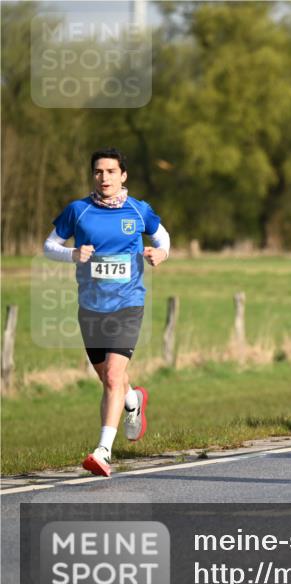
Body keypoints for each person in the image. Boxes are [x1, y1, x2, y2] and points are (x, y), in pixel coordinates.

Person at [43, 148, 170, 477]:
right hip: (90, 307)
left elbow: (162, 236)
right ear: (93, 176)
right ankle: (133, 400)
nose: (104, 178)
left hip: (128, 304)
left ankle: (103, 451)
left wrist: (161, 253)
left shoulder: (138, 210)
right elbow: (48, 246)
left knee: (113, 376)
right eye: (99, 172)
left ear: (123, 175)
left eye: (111, 172)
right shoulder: (78, 210)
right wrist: (72, 253)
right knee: (107, 378)